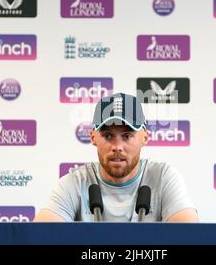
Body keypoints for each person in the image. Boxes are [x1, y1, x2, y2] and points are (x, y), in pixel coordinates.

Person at [34, 93, 198, 222]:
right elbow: (40, 237)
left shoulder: (163, 177)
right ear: (93, 137)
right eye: (107, 135)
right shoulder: (75, 182)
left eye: (126, 136)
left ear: (145, 137)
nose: (117, 146)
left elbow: (189, 235)